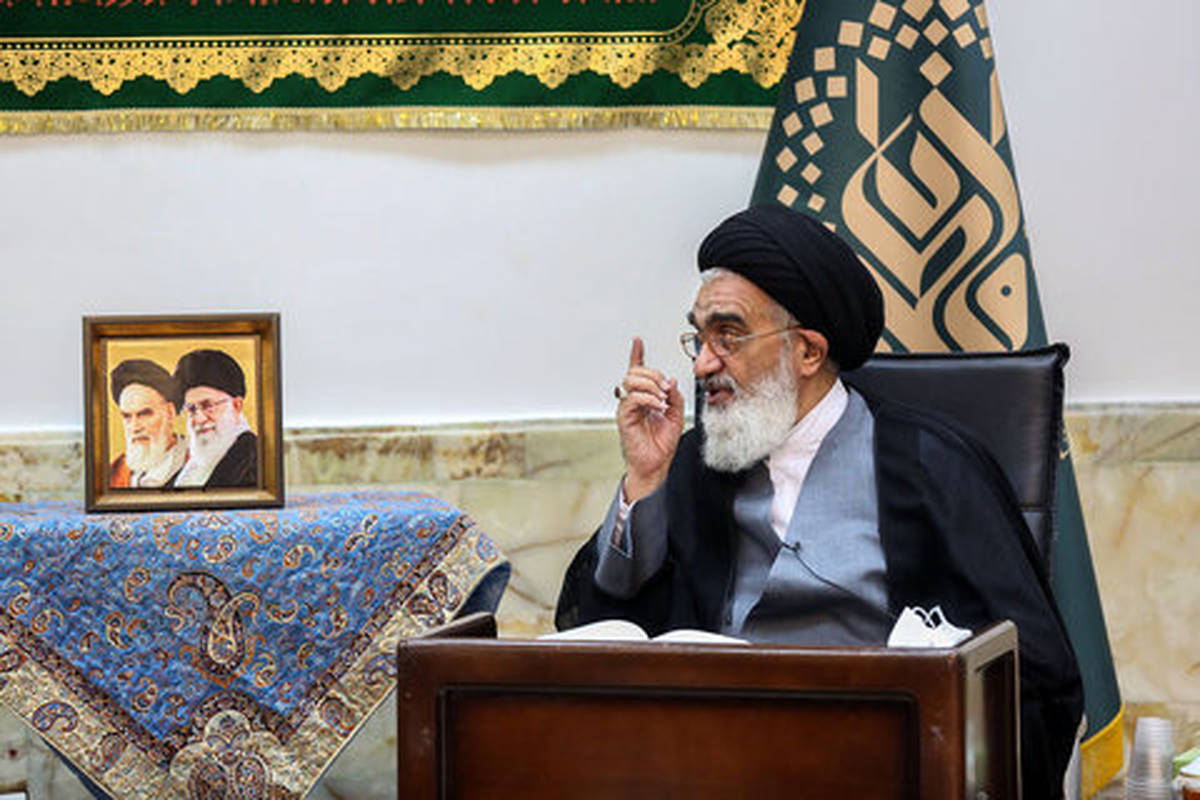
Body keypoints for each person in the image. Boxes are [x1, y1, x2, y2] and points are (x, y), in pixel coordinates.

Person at [555, 204, 1083, 799]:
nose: (702, 364)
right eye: (698, 338)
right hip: (711, 770)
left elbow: (1035, 676)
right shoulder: (694, 467)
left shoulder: (932, 465)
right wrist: (645, 481)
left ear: (808, 352)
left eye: (728, 335)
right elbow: (605, 635)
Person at [172, 349, 257, 489]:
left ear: (236, 406)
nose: (199, 419)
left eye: (208, 406)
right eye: (191, 409)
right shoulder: (189, 467)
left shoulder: (254, 462)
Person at [108, 359, 187, 488]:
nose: (134, 427)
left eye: (144, 414)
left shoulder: (196, 463)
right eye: (127, 416)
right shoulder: (116, 472)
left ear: (170, 413)